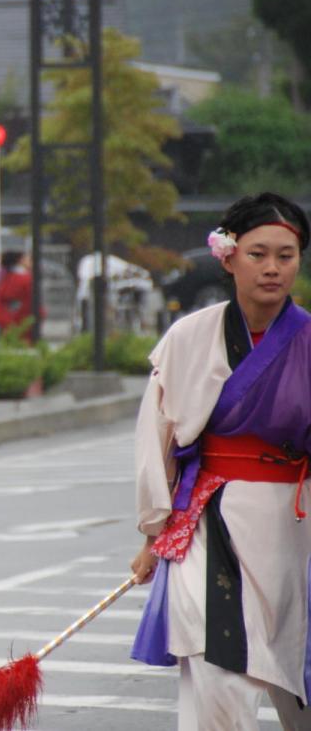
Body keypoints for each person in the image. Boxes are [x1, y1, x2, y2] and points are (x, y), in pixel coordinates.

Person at [130, 192, 311, 731]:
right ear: (227, 256)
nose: (273, 268)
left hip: (295, 525)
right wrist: (151, 532)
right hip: (214, 522)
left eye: (287, 254)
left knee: (298, 682)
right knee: (219, 681)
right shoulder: (187, 338)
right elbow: (157, 440)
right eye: (258, 254)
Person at [0, 249, 37, 336]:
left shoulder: (7, 276)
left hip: (7, 319)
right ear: (21, 261)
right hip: (21, 320)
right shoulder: (25, 278)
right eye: (28, 259)